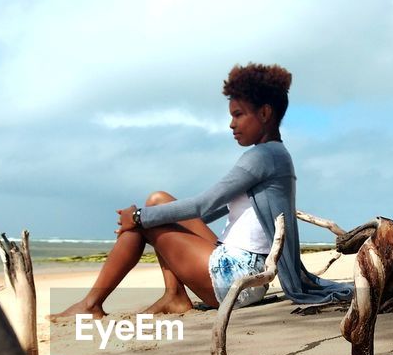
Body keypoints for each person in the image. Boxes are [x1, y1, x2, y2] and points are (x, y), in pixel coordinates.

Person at [51, 62, 352, 319]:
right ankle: (173, 296)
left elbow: (202, 206)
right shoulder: (273, 154)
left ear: (264, 113)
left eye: (238, 114)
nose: (231, 124)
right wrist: (149, 214)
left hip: (237, 279)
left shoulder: (261, 157)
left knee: (147, 218)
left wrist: (140, 217)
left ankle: (91, 304)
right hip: (244, 271)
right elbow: (212, 211)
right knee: (159, 200)